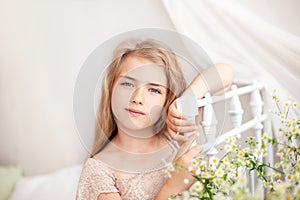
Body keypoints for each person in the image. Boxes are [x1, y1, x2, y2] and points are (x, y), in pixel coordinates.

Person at [76, 39, 233, 200]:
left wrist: (187, 99)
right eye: (128, 84)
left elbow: (226, 73)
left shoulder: (173, 136)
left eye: (154, 90)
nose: (137, 98)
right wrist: (174, 185)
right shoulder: (98, 171)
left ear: (167, 99)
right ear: (111, 89)